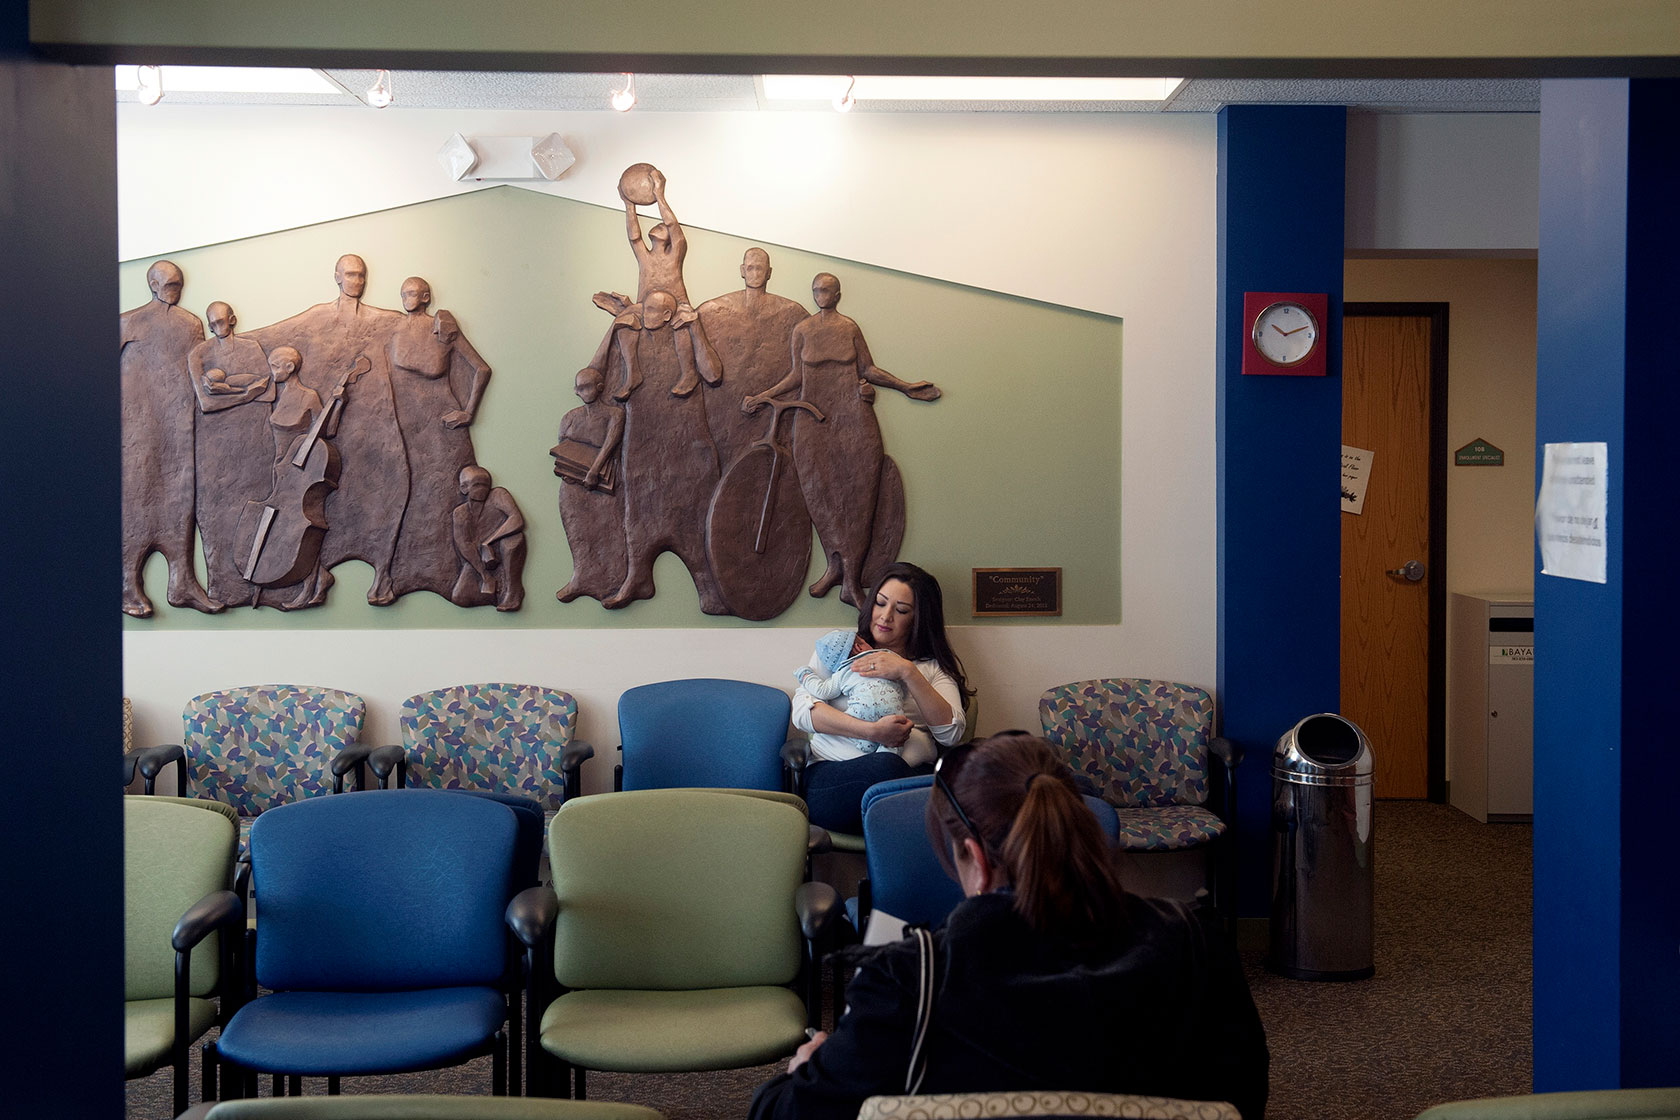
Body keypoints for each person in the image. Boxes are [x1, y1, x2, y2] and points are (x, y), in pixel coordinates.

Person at [750, 732, 1270, 1120]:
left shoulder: (908, 982)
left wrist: (804, 1072)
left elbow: (780, 1116)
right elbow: (1241, 1102)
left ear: (971, 855)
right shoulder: (1194, 942)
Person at [743, 272, 941, 607]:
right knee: (818, 492)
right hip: (811, 420)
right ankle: (834, 565)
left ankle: (851, 578)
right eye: (816, 290)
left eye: (826, 291)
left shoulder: (848, 328)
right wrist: (762, 395)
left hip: (853, 419)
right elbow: (795, 376)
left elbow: (869, 369)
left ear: (837, 294)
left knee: (858, 493)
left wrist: (905, 386)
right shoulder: (802, 331)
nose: (821, 295)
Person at [795, 562, 970, 833]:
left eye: (901, 610)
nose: (885, 616)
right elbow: (804, 713)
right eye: (880, 603)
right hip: (836, 780)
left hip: (906, 783)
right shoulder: (841, 650)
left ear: (918, 618)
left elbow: (950, 734)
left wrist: (906, 671)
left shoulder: (930, 669)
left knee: (912, 783)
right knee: (889, 769)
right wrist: (874, 732)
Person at [792, 628, 914, 760]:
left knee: (875, 753)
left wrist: (805, 675)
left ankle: (872, 753)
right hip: (892, 713)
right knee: (893, 748)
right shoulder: (888, 659)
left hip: (860, 713)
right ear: (858, 646)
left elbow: (823, 691)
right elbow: (905, 687)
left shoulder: (843, 672)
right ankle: (885, 760)